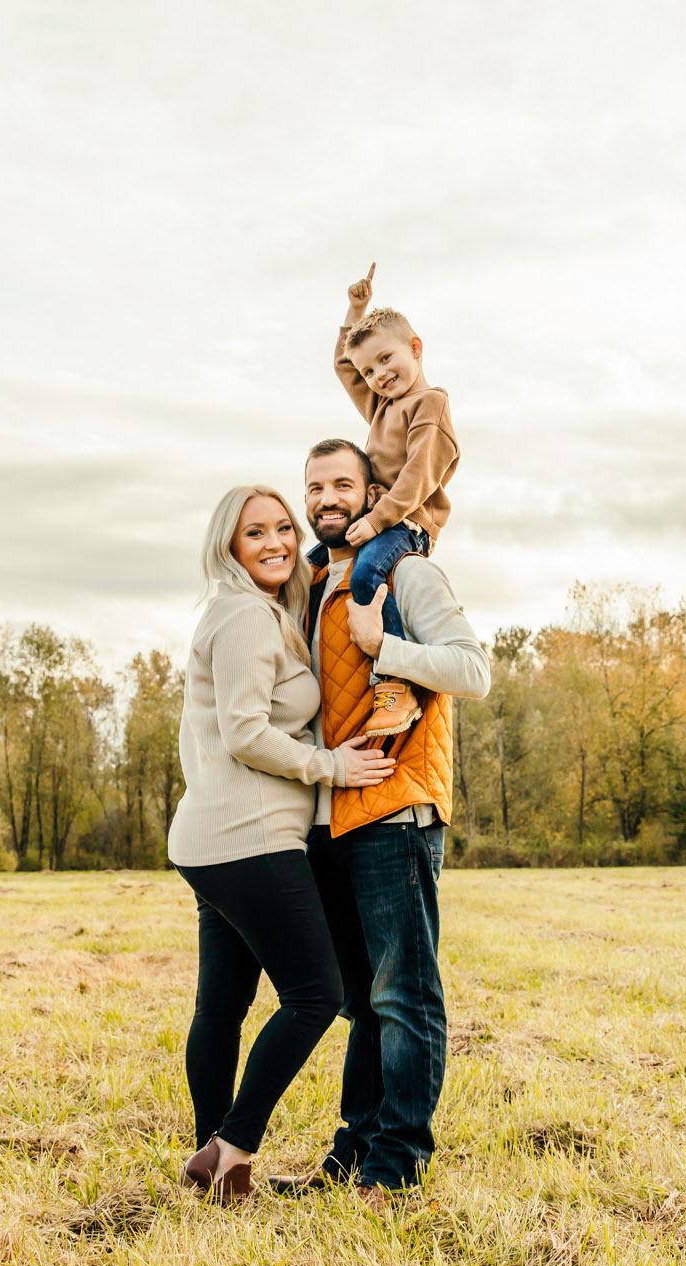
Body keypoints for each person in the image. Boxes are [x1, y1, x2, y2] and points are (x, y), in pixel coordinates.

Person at [271, 440, 489, 1206]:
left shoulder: (406, 573)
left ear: (372, 492)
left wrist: (383, 643)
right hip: (330, 816)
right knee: (359, 1001)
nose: (326, 497)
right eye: (314, 486)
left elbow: (473, 668)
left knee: (405, 997)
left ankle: (397, 1166)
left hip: (397, 806)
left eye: (342, 483)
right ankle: (356, 1149)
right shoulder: (311, 583)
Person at [166, 484, 396, 1201]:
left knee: (223, 1007)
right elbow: (243, 730)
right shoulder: (245, 618)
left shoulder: (254, 613)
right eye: (253, 533)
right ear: (228, 546)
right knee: (315, 995)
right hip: (249, 837)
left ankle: (214, 1159)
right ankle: (233, 1146)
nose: (273, 542)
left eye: (281, 528)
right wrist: (329, 764)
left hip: (212, 836)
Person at [324, 263, 462, 740]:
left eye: (386, 359)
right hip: (377, 517)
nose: (378, 374)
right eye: (370, 369)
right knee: (312, 563)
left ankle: (397, 682)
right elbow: (344, 366)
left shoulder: (430, 404)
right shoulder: (382, 403)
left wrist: (379, 520)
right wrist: (355, 309)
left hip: (408, 522)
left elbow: (420, 473)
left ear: (415, 348)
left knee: (366, 573)